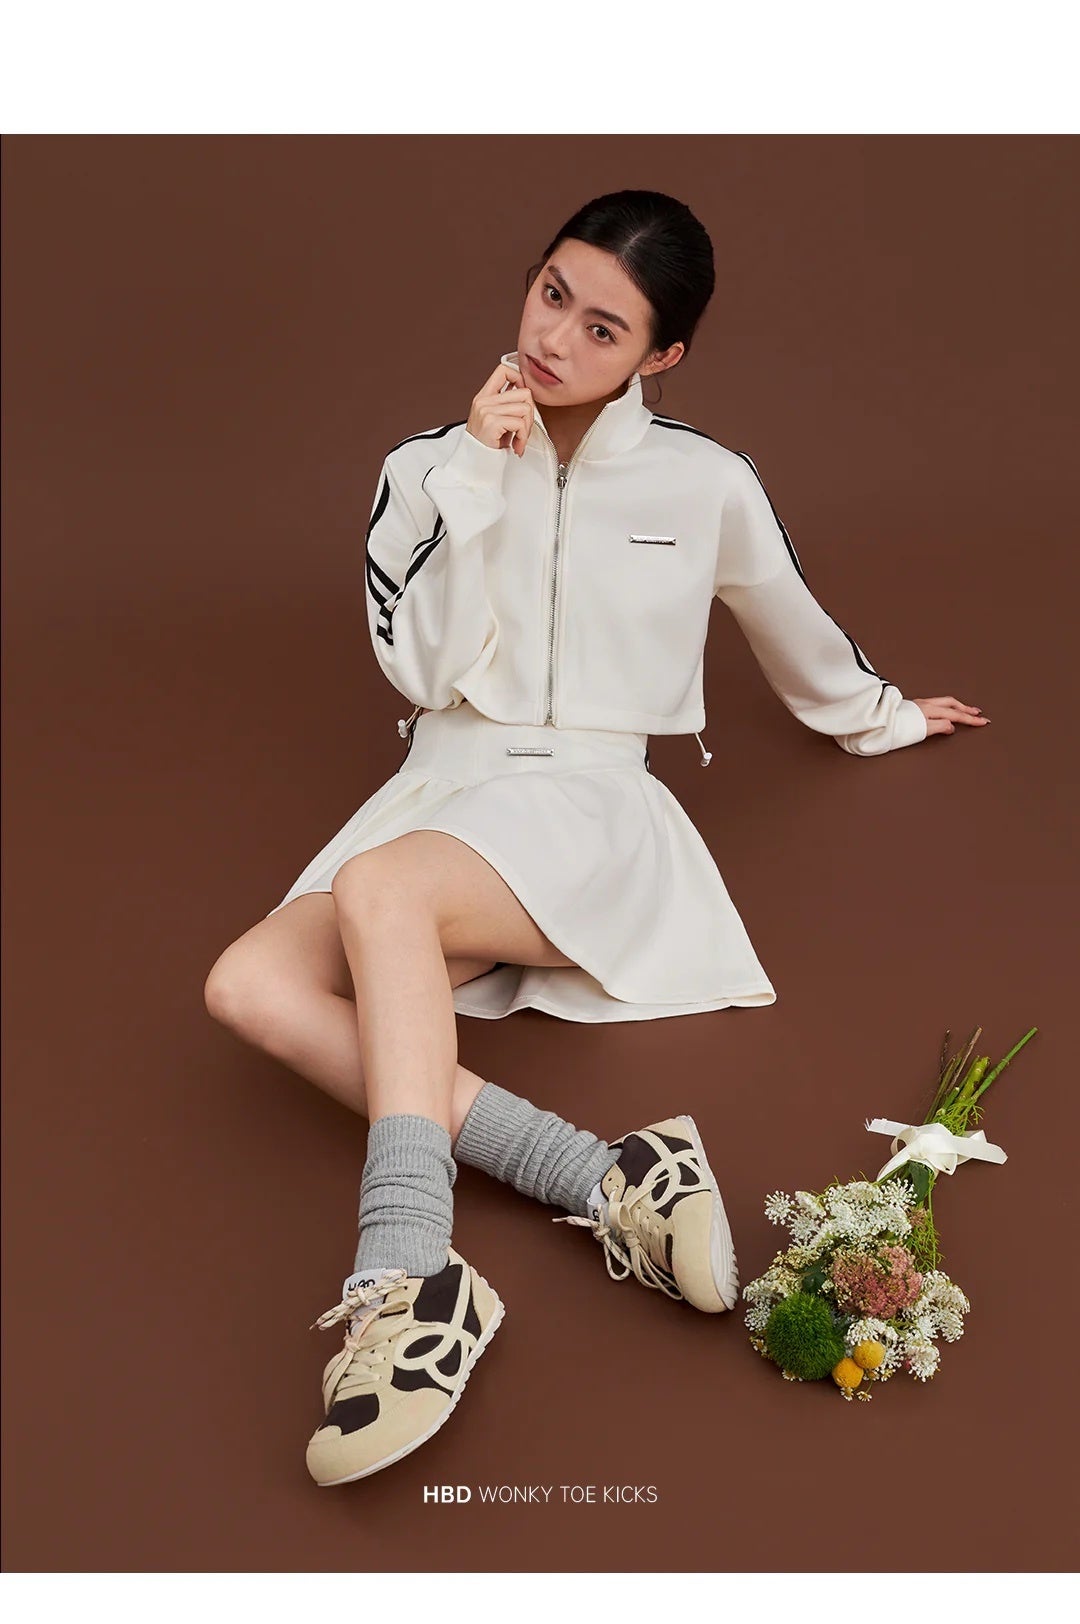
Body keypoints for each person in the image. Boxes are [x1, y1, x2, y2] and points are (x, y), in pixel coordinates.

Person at [203, 189, 988, 1487]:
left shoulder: (707, 481)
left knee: (383, 895)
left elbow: (791, 619)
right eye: (552, 293)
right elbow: (420, 671)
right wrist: (476, 476)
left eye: (604, 327)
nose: (556, 338)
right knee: (246, 986)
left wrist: (882, 715)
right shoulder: (425, 467)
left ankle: (407, 1277)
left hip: (591, 807)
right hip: (440, 791)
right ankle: (603, 1176)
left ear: (661, 355)